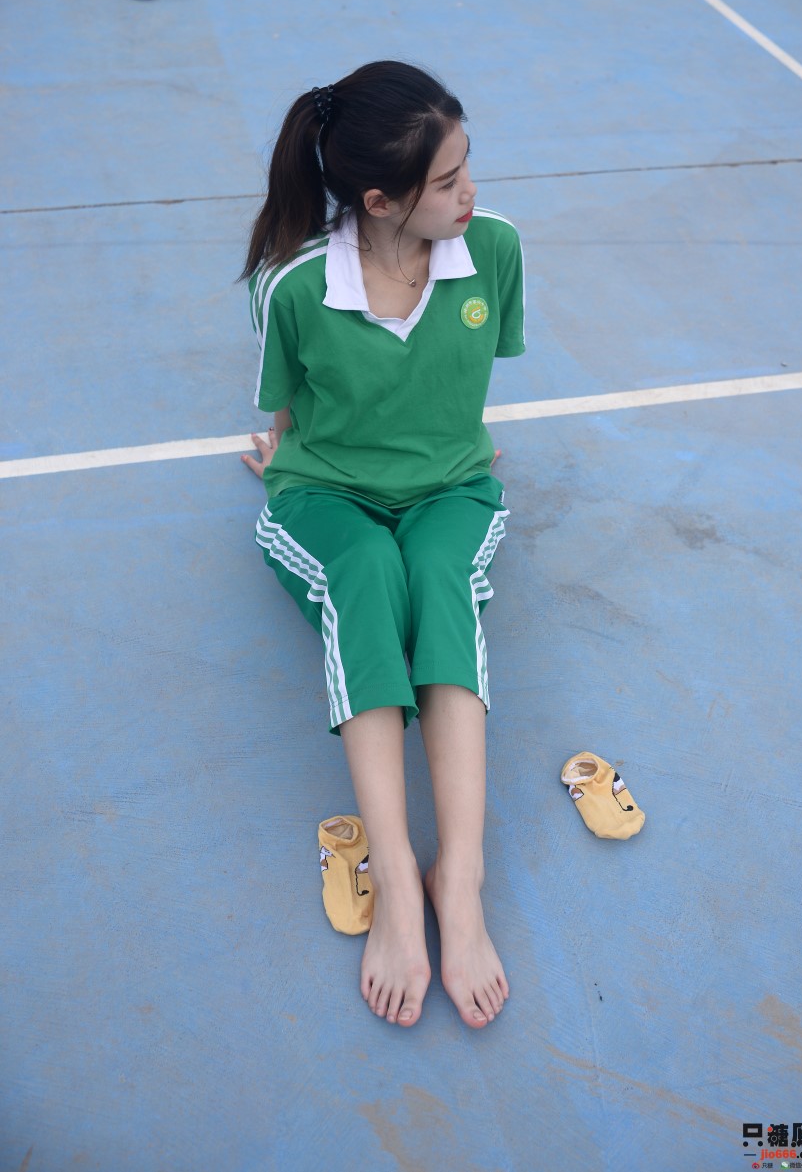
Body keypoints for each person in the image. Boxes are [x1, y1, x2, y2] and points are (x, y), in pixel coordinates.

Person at [240, 60, 525, 1029]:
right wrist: (281, 452)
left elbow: (466, 379)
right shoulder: (295, 286)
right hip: (327, 493)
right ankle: (399, 878)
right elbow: (289, 403)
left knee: (438, 577)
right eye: (446, 181)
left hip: (452, 488)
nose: (470, 190)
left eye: (466, 165)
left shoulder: (494, 248)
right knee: (366, 573)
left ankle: (460, 878)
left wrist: (447, 445)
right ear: (379, 200)